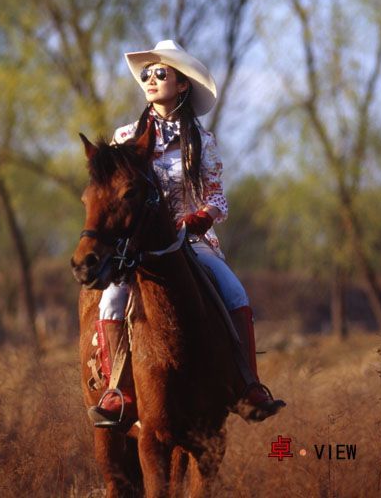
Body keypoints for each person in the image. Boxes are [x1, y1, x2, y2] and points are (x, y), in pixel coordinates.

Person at [88, 40, 285, 427]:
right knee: (110, 300)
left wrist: (200, 218)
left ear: (182, 86)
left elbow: (218, 200)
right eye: (146, 74)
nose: (151, 79)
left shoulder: (202, 143)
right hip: (135, 245)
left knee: (234, 292)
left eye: (161, 73)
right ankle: (119, 391)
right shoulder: (124, 137)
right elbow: (109, 194)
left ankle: (248, 386)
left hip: (192, 242)